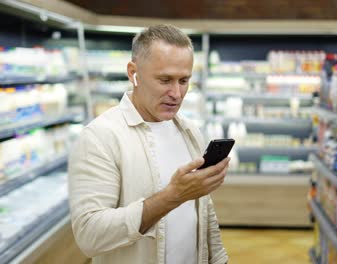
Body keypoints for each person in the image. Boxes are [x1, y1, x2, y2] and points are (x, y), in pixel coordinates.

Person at [68, 24, 229, 264]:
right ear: (133, 72)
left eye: (184, 80)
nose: (176, 93)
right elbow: (89, 235)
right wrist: (172, 196)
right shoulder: (101, 137)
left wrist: (219, 259)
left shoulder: (189, 131)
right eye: (165, 80)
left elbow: (204, 212)